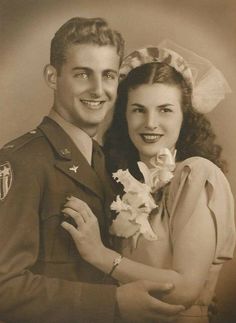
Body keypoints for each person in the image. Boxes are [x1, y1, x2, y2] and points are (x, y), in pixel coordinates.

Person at [0, 18, 186, 323]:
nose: (98, 90)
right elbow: (4, 287)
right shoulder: (23, 162)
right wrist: (110, 302)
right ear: (52, 76)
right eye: (83, 74)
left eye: (108, 75)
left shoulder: (104, 161)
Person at [61, 44, 236, 323]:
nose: (150, 123)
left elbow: (185, 289)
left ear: (184, 117)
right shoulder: (126, 183)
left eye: (165, 110)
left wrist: (99, 255)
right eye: (138, 110)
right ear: (125, 116)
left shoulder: (196, 176)